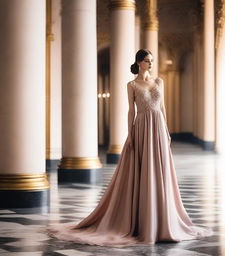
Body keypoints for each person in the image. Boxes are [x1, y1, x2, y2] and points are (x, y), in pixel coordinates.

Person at [49, 49, 213, 247]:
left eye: (152, 61)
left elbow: (162, 108)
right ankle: (142, 220)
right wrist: (130, 133)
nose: (151, 64)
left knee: (161, 171)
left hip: (158, 127)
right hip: (142, 126)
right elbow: (130, 111)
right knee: (142, 169)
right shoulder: (132, 84)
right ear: (138, 62)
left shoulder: (159, 81)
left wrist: (167, 131)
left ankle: (161, 218)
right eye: (147, 61)